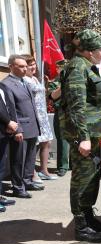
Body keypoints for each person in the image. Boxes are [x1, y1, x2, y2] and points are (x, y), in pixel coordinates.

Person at [59, 29, 101, 243]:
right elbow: (76, 104)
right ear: (89, 52)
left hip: (92, 132)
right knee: (81, 180)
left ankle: (89, 218)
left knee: (91, 177)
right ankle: (81, 226)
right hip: (83, 134)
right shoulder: (76, 67)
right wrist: (83, 136)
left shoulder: (86, 66)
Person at [1, 55, 43, 198]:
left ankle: (27, 180)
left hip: (32, 125)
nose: (26, 69)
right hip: (20, 128)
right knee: (18, 159)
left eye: (26, 66)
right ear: (11, 66)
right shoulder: (7, 84)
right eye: (21, 66)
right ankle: (18, 187)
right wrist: (17, 129)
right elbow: (11, 109)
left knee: (31, 157)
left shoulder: (24, 81)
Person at [23, 55, 57, 181]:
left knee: (46, 142)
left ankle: (44, 170)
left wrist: (46, 84)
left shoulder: (35, 79)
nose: (33, 67)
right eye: (29, 65)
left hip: (42, 115)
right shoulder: (24, 80)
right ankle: (31, 173)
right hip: (34, 115)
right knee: (34, 145)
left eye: (33, 64)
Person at [47, 60, 70, 177]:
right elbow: (52, 96)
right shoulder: (54, 82)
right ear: (57, 69)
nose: (65, 69)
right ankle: (62, 166)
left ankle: (73, 164)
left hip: (75, 113)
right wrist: (63, 85)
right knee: (62, 140)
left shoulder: (75, 80)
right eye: (63, 68)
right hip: (61, 113)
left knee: (77, 139)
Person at [0, 82, 18, 211]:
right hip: (3, 126)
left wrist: (11, 123)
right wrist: (8, 122)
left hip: (4, 131)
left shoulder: (2, 86)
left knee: (1, 167)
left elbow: (8, 106)